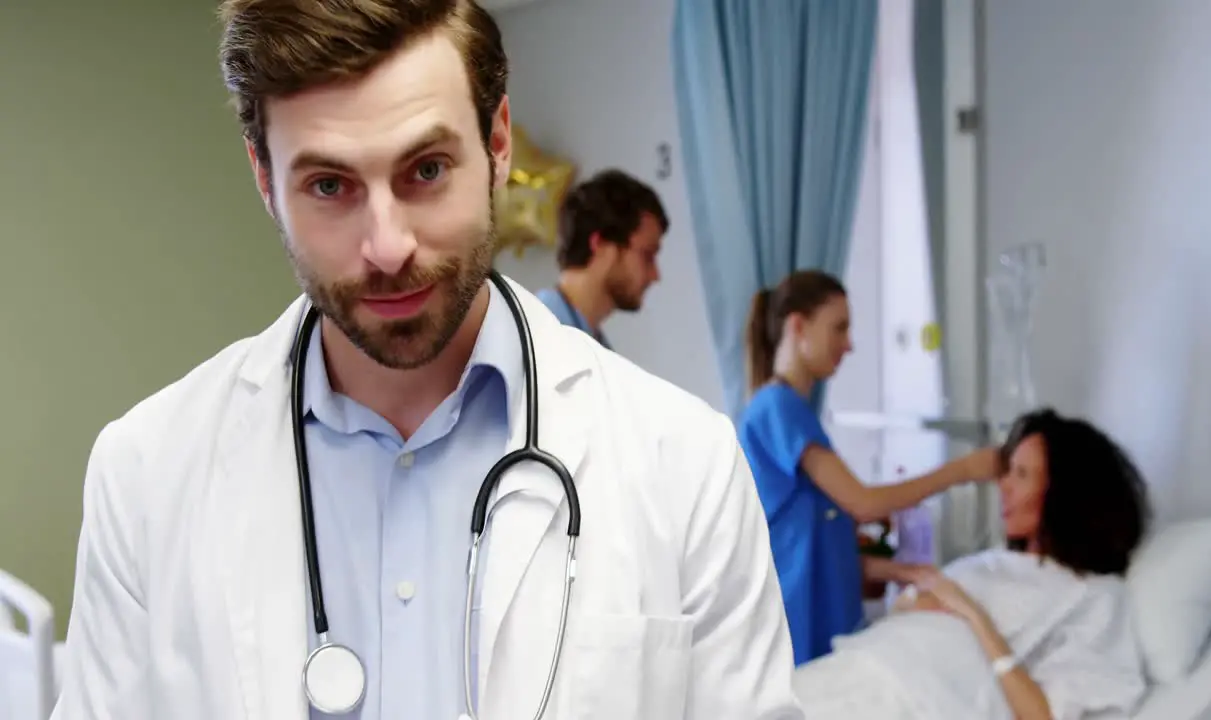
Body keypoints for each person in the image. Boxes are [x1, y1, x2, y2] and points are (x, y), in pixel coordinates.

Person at [52, 2, 801, 719]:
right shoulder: (146, 474)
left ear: (498, 143)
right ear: (263, 180)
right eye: (328, 185)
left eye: (427, 170)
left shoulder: (685, 464)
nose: (387, 246)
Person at [793, 408, 1152, 720]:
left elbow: (1043, 715)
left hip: (921, 700)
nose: (1003, 486)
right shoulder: (993, 560)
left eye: (1022, 474)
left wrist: (971, 614)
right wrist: (922, 601)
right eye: (1007, 472)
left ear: (1066, 493)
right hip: (865, 668)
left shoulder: (1093, 594)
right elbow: (912, 602)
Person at [737, 269, 1001, 665]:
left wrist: (908, 572)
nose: (849, 345)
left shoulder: (794, 414)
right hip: (796, 629)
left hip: (826, 628)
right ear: (798, 326)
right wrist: (962, 470)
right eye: (839, 328)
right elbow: (863, 503)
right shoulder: (777, 409)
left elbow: (820, 544)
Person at [534, 169, 668, 349]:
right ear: (601, 245)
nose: (655, 275)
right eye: (647, 255)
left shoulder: (588, 347)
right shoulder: (533, 339)